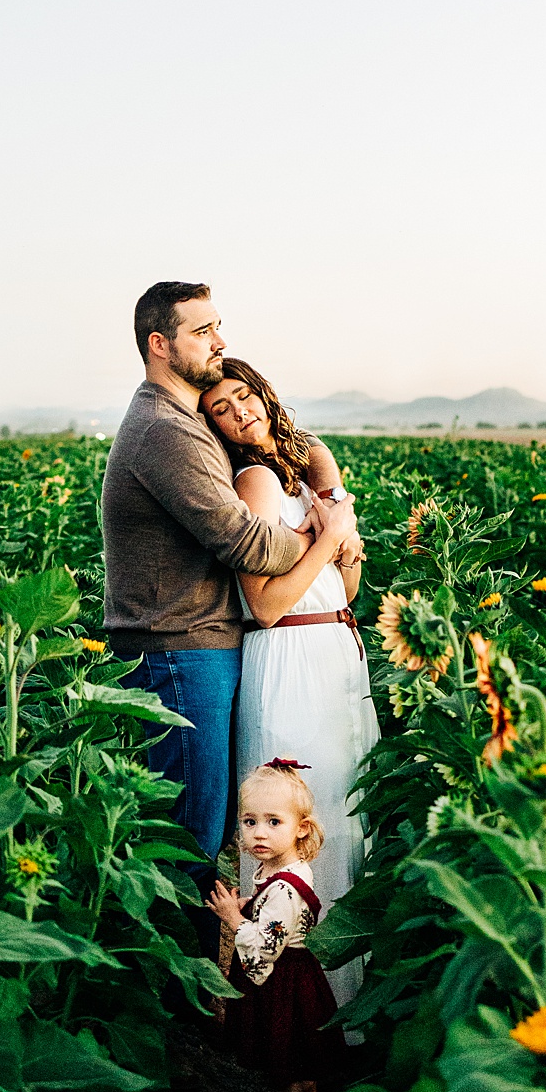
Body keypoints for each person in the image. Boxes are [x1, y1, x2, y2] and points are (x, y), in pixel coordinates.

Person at [100, 282, 357, 947]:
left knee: (205, 823)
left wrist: (324, 493)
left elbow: (298, 464)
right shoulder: (164, 430)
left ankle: (195, 975)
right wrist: (323, 535)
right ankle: (173, 990)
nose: (220, 341)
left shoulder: (183, 422)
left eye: (220, 327)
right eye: (203, 330)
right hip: (178, 649)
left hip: (198, 646)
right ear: (160, 345)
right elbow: (246, 542)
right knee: (189, 830)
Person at [201, 357, 380, 1006]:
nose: (240, 411)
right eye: (222, 407)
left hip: (335, 643)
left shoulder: (303, 474)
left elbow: (346, 588)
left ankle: (343, 1002)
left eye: (244, 395)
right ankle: (292, 1015)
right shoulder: (252, 482)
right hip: (289, 650)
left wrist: (340, 540)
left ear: (264, 394)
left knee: (342, 814)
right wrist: (327, 536)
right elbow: (268, 603)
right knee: (298, 820)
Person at [206, 759, 348, 1092]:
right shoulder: (279, 875)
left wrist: (233, 917)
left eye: (273, 822)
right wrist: (251, 905)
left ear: (302, 829)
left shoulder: (286, 886)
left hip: (283, 989)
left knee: (286, 1081)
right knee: (302, 1076)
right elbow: (277, 919)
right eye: (250, 822)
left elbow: (265, 951)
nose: (258, 834)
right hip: (295, 985)